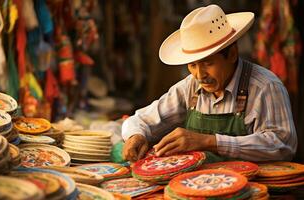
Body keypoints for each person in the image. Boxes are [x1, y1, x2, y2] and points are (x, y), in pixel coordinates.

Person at [121, 4, 297, 162]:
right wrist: (136, 135)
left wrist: (209, 142)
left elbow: (282, 145)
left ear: (232, 54)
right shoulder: (190, 87)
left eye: (208, 63)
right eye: (192, 65)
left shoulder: (265, 87)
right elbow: (139, 120)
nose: (199, 75)